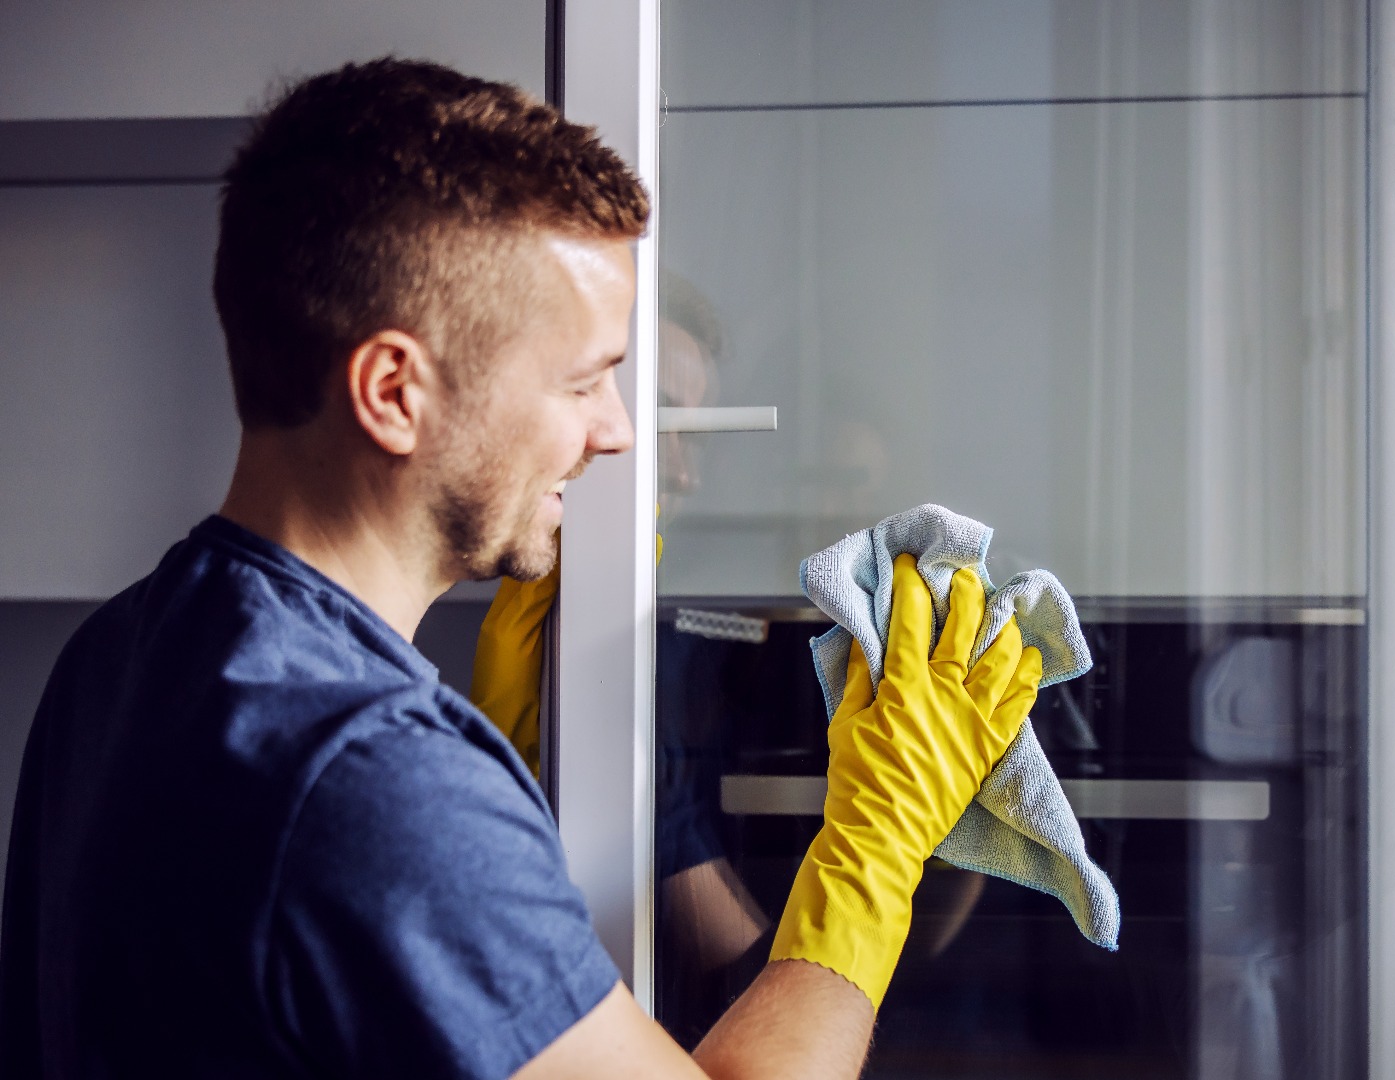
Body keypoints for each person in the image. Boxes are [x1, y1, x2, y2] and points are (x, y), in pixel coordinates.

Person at [0, 58, 1041, 1079]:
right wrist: (877, 841)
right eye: (584, 381)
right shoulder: (375, 775)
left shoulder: (121, 653)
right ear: (394, 391)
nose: (619, 433)